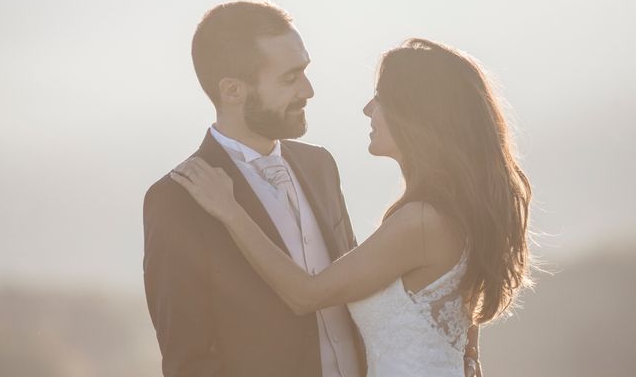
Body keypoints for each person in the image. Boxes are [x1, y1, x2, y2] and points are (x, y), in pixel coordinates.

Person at [172, 38, 532, 376]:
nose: (367, 109)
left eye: (380, 98)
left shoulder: (420, 221)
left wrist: (231, 211)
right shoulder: (451, 212)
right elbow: (463, 339)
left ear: (416, 115)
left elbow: (305, 294)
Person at [143, 1, 366, 376]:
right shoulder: (176, 199)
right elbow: (189, 358)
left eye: (305, 72)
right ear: (232, 90)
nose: (308, 90)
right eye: (289, 78)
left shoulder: (320, 165)